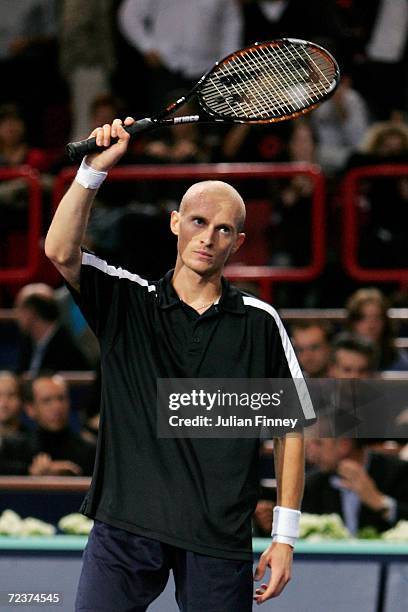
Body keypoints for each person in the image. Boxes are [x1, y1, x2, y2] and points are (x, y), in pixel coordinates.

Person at [44, 116, 313, 610]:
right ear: (174, 223)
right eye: (198, 222)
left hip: (217, 536)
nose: (208, 237)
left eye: (223, 228)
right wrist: (92, 171)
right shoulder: (127, 300)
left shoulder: (260, 321)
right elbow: (60, 250)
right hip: (127, 527)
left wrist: (285, 536)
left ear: (238, 242)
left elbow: (289, 428)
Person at [302, 437, 408, 535]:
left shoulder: (398, 472)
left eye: (318, 443)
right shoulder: (312, 483)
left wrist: (380, 502)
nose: (310, 450)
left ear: (344, 444)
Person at [15, 285, 90, 374]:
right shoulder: (28, 343)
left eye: (19, 309)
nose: (16, 315)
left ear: (32, 313)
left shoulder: (66, 346)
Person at [345, 288, 408, 371]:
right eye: (364, 317)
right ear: (353, 322)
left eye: (377, 318)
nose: (371, 325)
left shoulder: (399, 361)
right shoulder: (339, 359)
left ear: (385, 323)